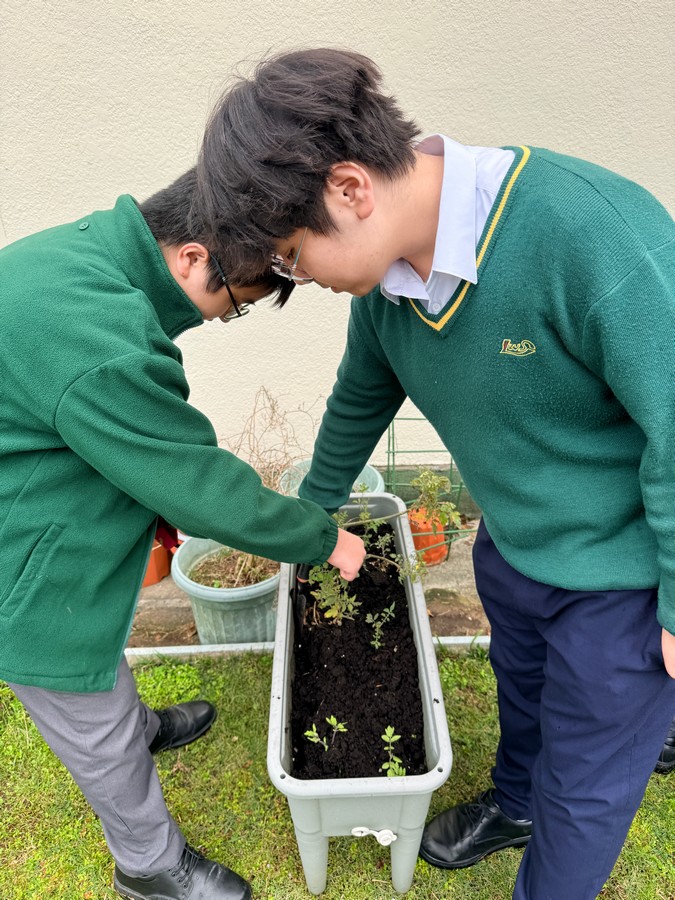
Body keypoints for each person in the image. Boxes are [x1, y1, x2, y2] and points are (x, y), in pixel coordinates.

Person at [194, 49, 675, 899]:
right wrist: (309, 521)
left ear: (349, 188)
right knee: (521, 696)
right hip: (514, 544)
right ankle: (514, 804)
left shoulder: (588, 233)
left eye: (293, 256)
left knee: (585, 787)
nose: (300, 279)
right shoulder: (388, 284)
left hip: (621, 580)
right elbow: (359, 399)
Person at [0, 166, 366, 900]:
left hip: (32, 498)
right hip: (19, 572)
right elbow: (199, 486)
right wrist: (323, 538)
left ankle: (138, 727)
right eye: (232, 307)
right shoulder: (98, 338)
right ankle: (150, 866)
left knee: (95, 653)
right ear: (193, 256)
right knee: (87, 709)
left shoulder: (84, 259)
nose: (216, 320)